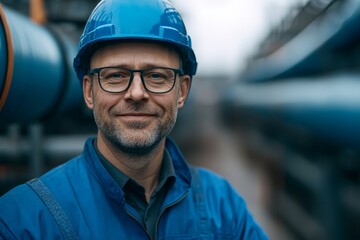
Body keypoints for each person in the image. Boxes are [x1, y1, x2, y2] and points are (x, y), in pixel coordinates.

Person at [0, 0, 268, 239]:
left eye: (157, 76)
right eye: (115, 75)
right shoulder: (24, 222)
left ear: (182, 91)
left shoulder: (223, 207)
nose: (137, 93)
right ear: (88, 91)